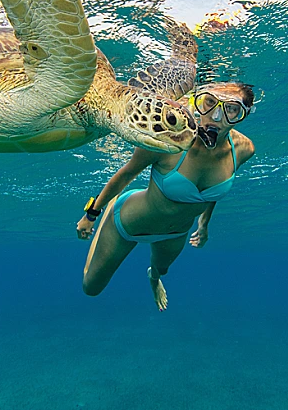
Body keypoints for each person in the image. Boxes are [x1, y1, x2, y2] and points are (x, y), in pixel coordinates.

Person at [76, 81, 256, 311]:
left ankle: (153, 279)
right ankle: (113, 207)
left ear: (243, 115)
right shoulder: (168, 138)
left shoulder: (243, 149)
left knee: (161, 270)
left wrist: (204, 223)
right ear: (197, 103)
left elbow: (212, 193)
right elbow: (125, 174)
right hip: (128, 223)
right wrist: (91, 215)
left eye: (231, 109)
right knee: (91, 288)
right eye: (209, 103)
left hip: (176, 234)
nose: (217, 116)